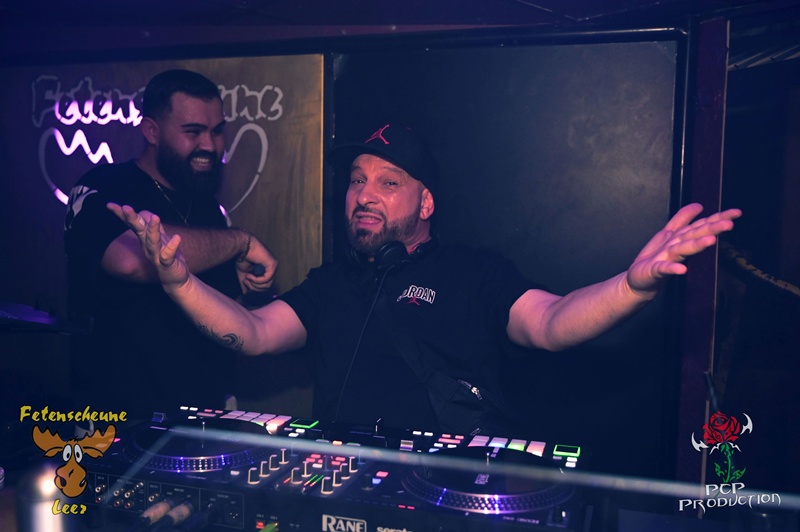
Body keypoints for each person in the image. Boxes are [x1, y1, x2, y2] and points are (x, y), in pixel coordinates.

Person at [109, 123, 741, 434]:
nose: (364, 195)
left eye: (388, 182)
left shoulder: (475, 272)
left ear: (426, 202)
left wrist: (632, 286)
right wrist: (179, 282)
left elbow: (551, 323)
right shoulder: (330, 283)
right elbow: (250, 333)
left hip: (447, 498)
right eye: (357, 180)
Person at [65, 69, 277, 419]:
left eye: (217, 131)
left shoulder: (206, 206)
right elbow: (129, 261)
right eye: (193, 131)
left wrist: (246, 286)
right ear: (152, 131)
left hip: (200, 418)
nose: (209, 145)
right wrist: (239, 242)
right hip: (117, 420)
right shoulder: (104, 186)